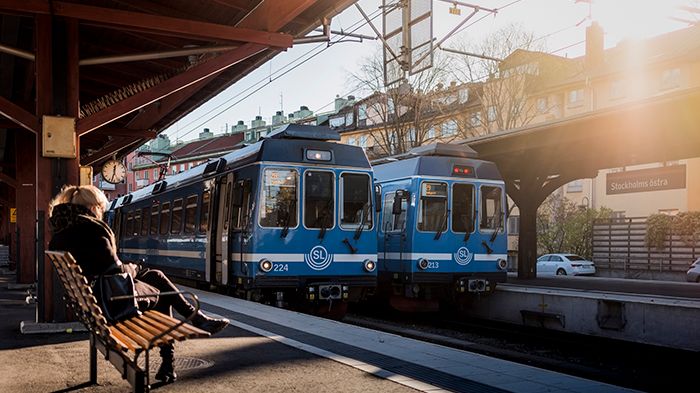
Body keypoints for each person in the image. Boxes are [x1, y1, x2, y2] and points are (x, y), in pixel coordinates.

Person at [48, 184, 229, 383]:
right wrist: (134, 268)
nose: (101, 212)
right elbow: (115, 271)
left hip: (94, 304)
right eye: (100, 208)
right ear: (92, 208)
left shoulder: (60, 235)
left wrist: (131, 270)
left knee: (155, 276)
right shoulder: (93, 231)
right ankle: (177, 349)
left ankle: (190, 331)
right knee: (161, 290)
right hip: (113, 304)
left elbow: (103, 267)